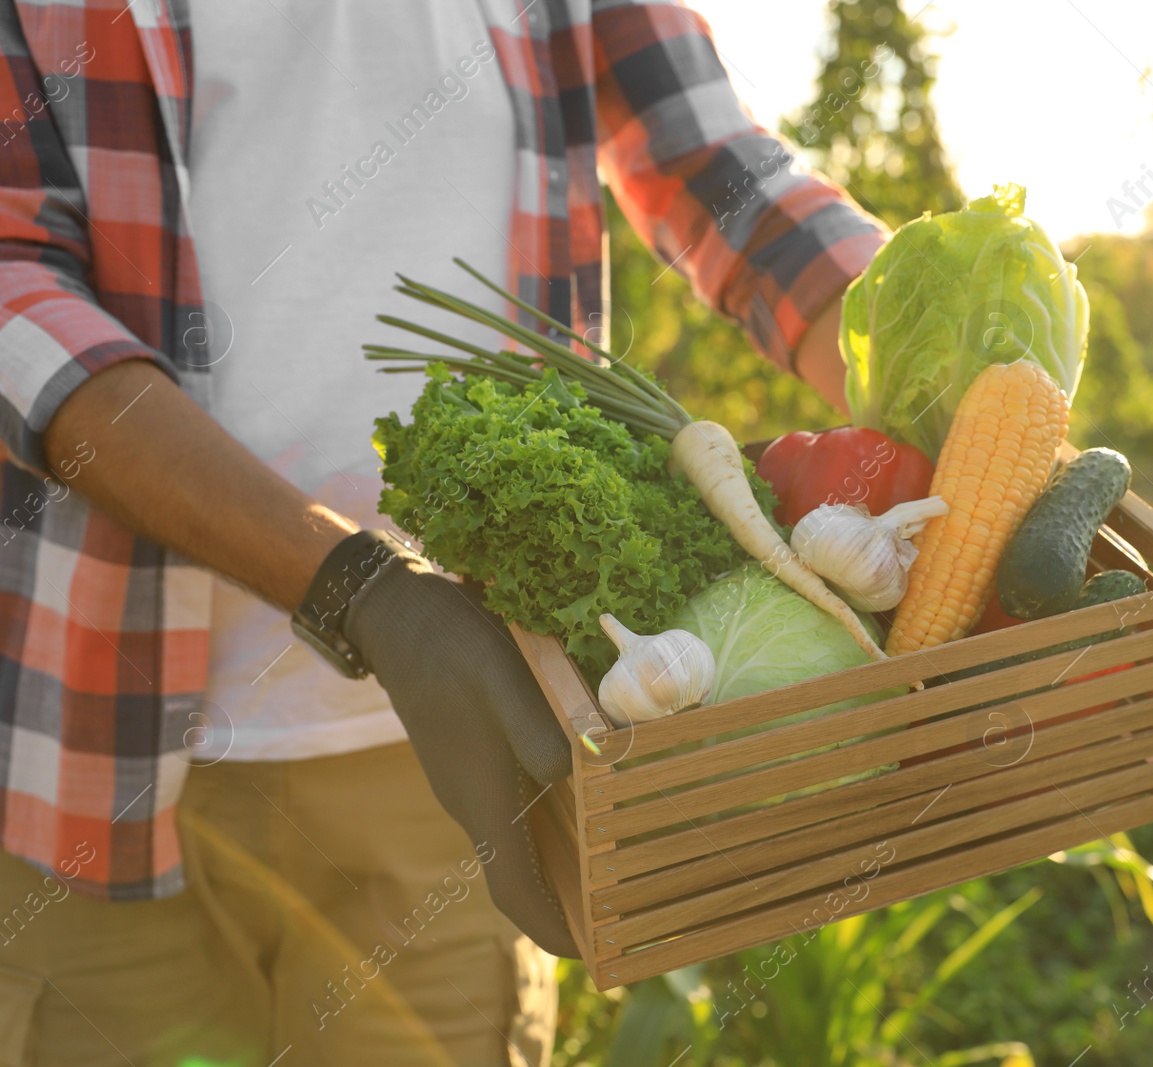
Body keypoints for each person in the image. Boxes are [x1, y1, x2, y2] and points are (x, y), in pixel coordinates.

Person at [0, 0, 883, 1063]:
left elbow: (720, 170)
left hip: (465, 760)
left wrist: (935, 347)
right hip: (90, 751)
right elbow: (14, 281)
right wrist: (356, 588)